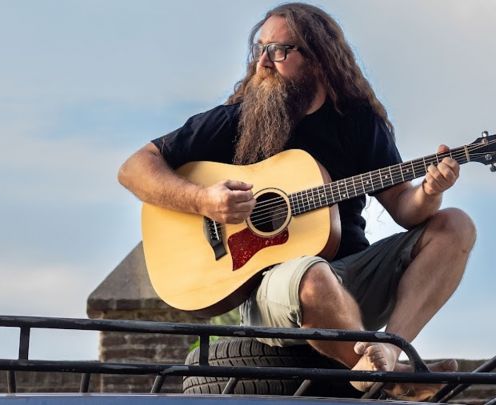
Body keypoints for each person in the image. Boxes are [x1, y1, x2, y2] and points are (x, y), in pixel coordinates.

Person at [118, 2, 475, 400]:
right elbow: (134, 168)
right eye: (260, 49)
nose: (264, 62)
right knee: (312, 273)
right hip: (276, 289)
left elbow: (405, 209)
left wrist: (430, 191)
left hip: (352, 279)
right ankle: (388, 379)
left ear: (319, 59)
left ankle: (389, 353)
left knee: (455, 224)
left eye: (280, 50)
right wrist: (204, 201)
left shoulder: (357, 123)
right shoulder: (238, 118)